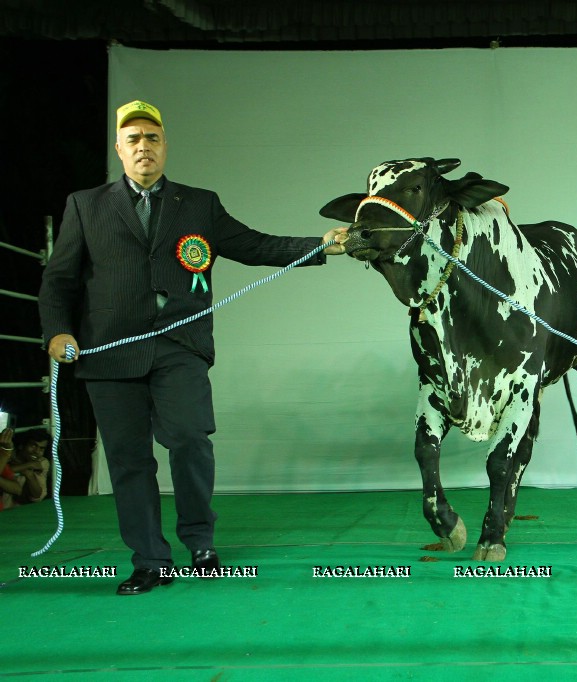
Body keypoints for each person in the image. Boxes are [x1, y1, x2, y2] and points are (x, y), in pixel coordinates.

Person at [38, 100, 348, 594]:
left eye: (153, 138)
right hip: (107, 353)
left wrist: (321, 244)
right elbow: (58, 280)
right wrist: (57, 331)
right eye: (134, 139)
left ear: (165, 148)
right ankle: (150, 559)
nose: (144, 147)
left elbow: (253, 244)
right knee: (128, 459)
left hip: (179, 343)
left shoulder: (199, 204)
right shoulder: (85, 204)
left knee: (188, 440)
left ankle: (200, 542)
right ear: (119, 149)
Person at [0, 428, 51, 509]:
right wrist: (29, 465)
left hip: (25, 511)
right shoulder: (8, 454)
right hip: (5, 510)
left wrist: (29, 474)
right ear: (21, 445)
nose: (37, 451)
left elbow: (37, 496)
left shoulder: (42, 462)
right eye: (33, 445)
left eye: (41, 448)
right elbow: (5, 469)